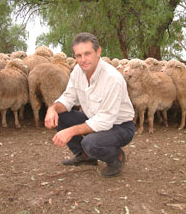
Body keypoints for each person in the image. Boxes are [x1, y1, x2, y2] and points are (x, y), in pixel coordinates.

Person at [45, 32, 135, 177]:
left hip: (120, 126)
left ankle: (115, 157)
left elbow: (105, 120)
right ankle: (85, 156)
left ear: (98, 52)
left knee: (91, 143)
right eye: (78, 55)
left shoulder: (113, 78)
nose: (83, 60)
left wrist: (70, 131)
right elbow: (69, 98)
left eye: (87, 54)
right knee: (59, 115)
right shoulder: (77, 72)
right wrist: (53, 108)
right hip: (93, 119)